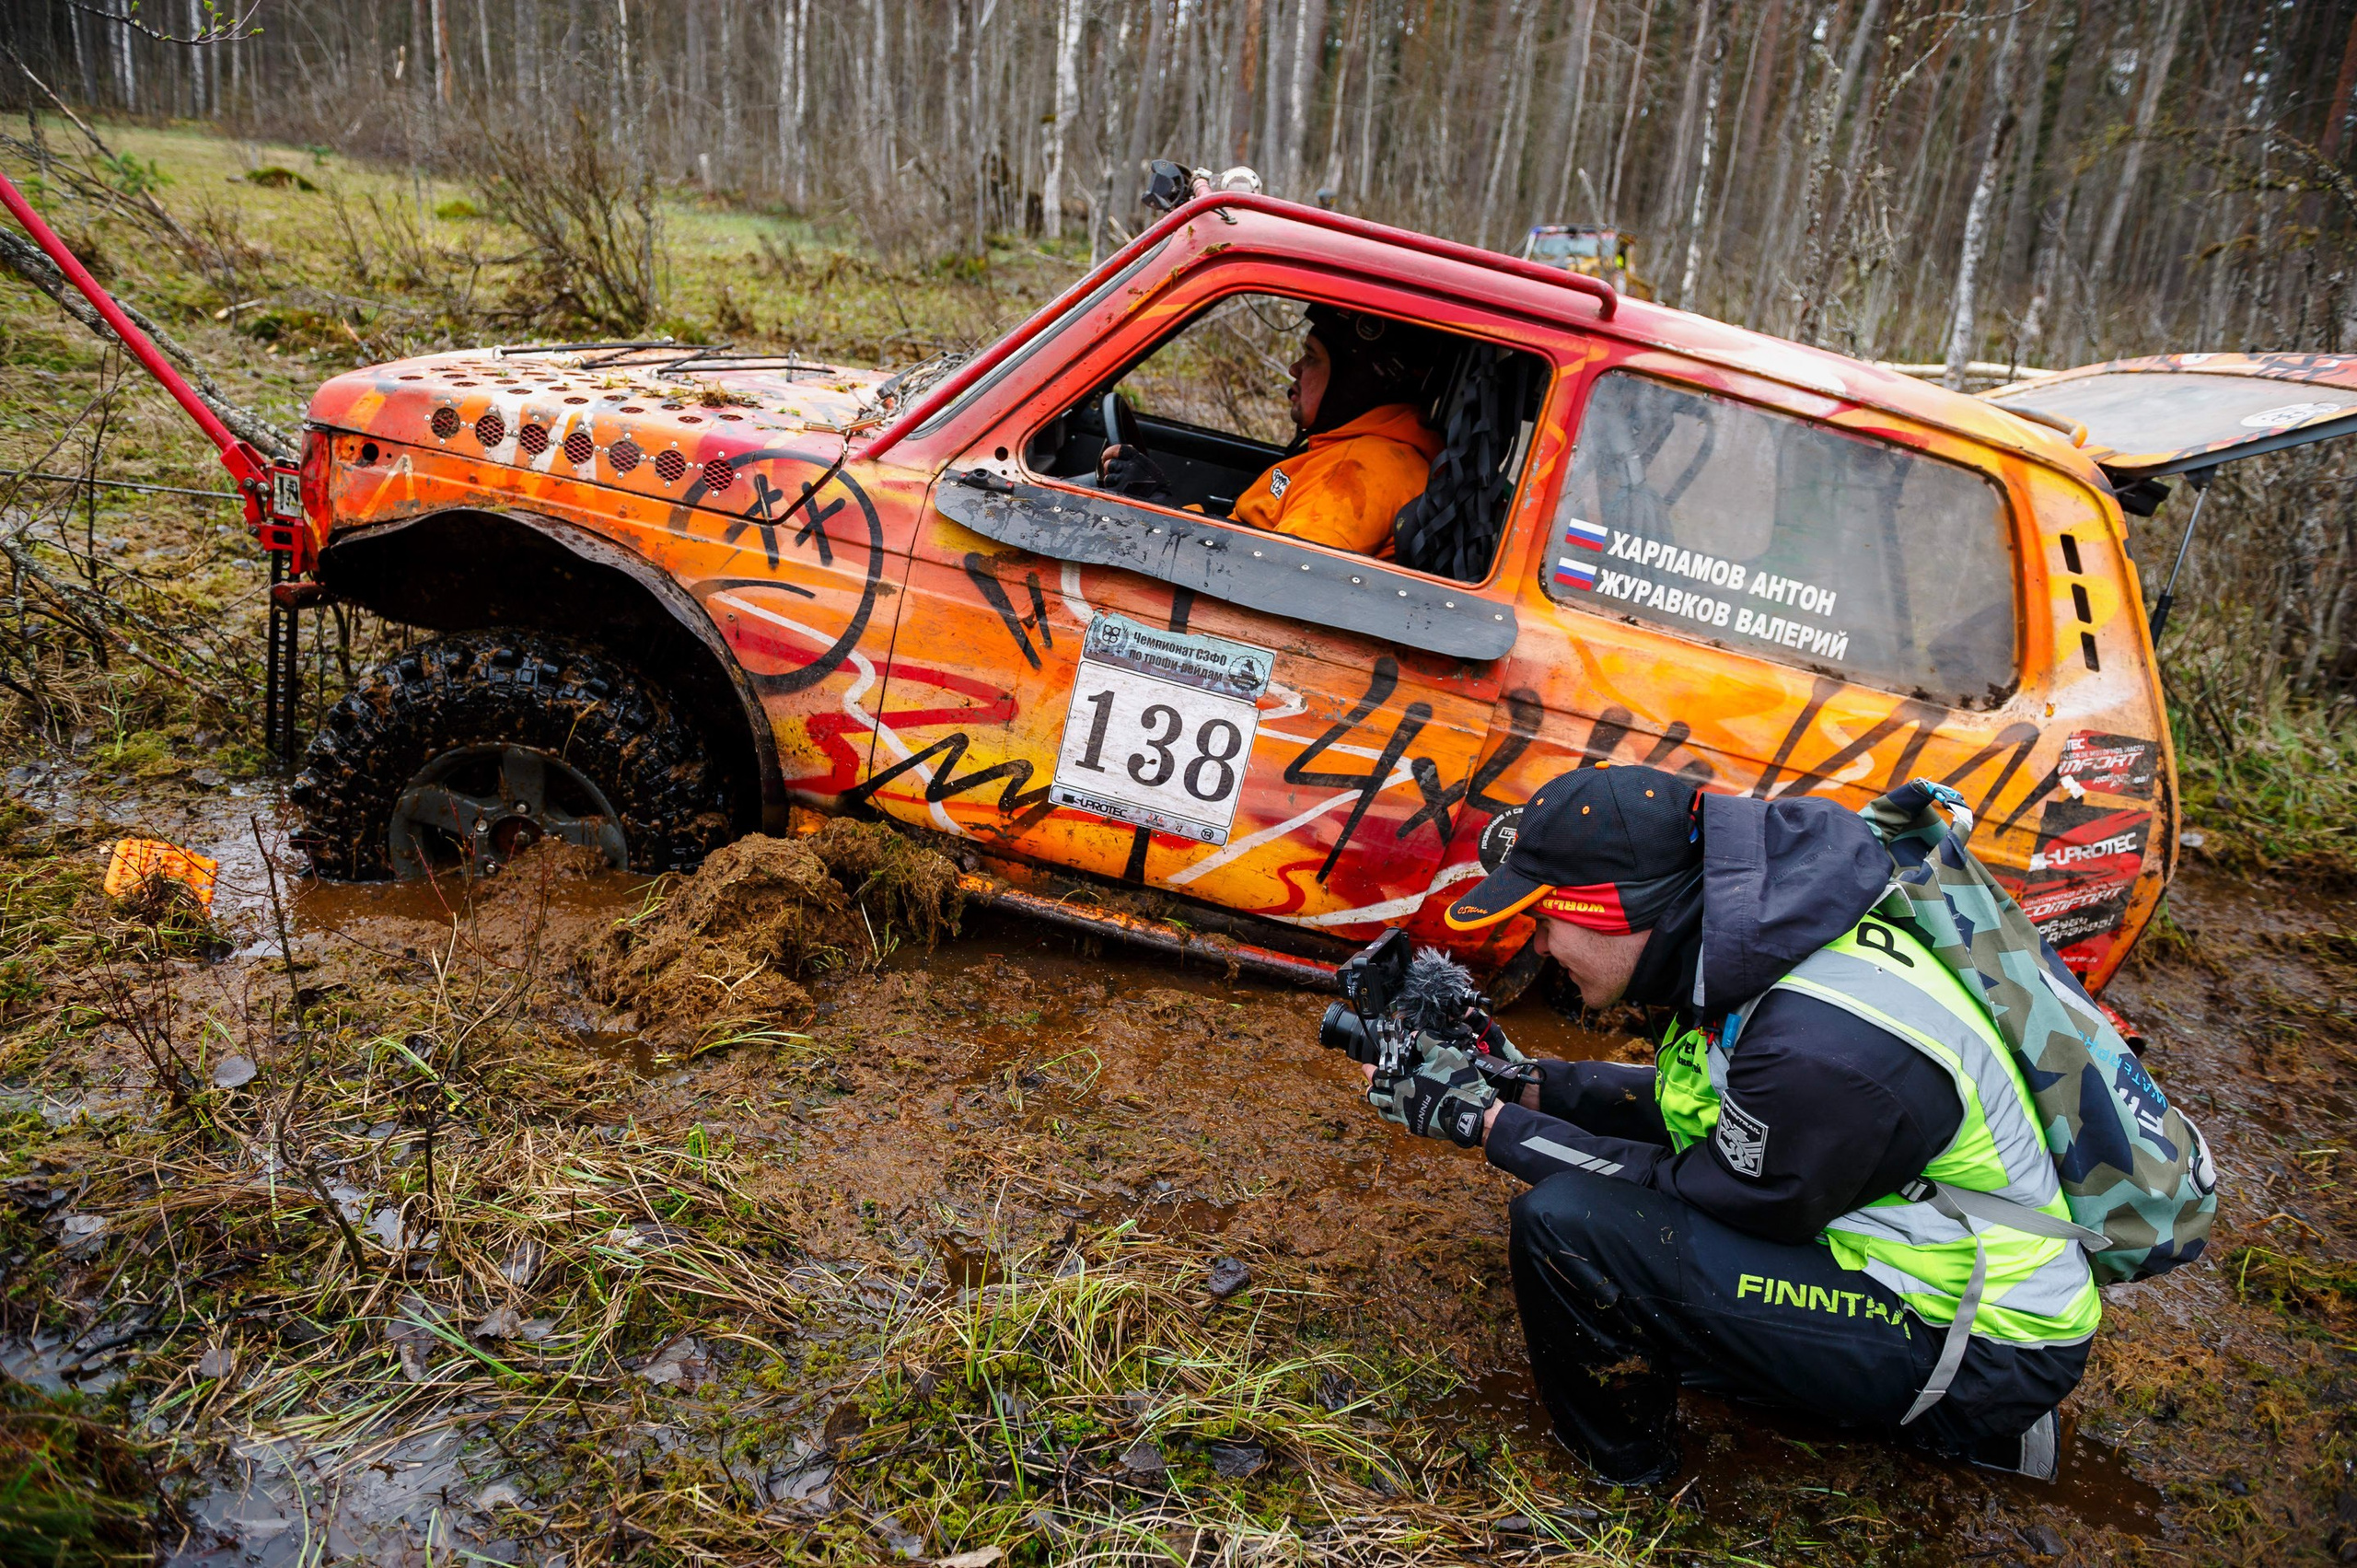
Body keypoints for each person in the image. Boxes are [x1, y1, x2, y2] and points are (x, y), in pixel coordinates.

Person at [1362, 764, 2098, 1486]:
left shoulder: (1814, 1047)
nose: (1541, 946)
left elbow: (1695, 1192)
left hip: (1984, 1343)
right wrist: (1522, 1084)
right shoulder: (1756, 942)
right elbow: (1695, 1105)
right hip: (1903, 1251)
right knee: (1639, 1249)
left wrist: (1485, 1124)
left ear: (1609, 909)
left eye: (1546, 919)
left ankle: (1624, 1477)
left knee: (1570, 1229)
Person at [1097, 304, 1444, 557]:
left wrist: (1158, 511)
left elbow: (1276, 579)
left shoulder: (1354, 474)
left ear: (1355, 383)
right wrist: (1164, 507)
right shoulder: (1356, 451)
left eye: (1311, 357)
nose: (1295, 368)